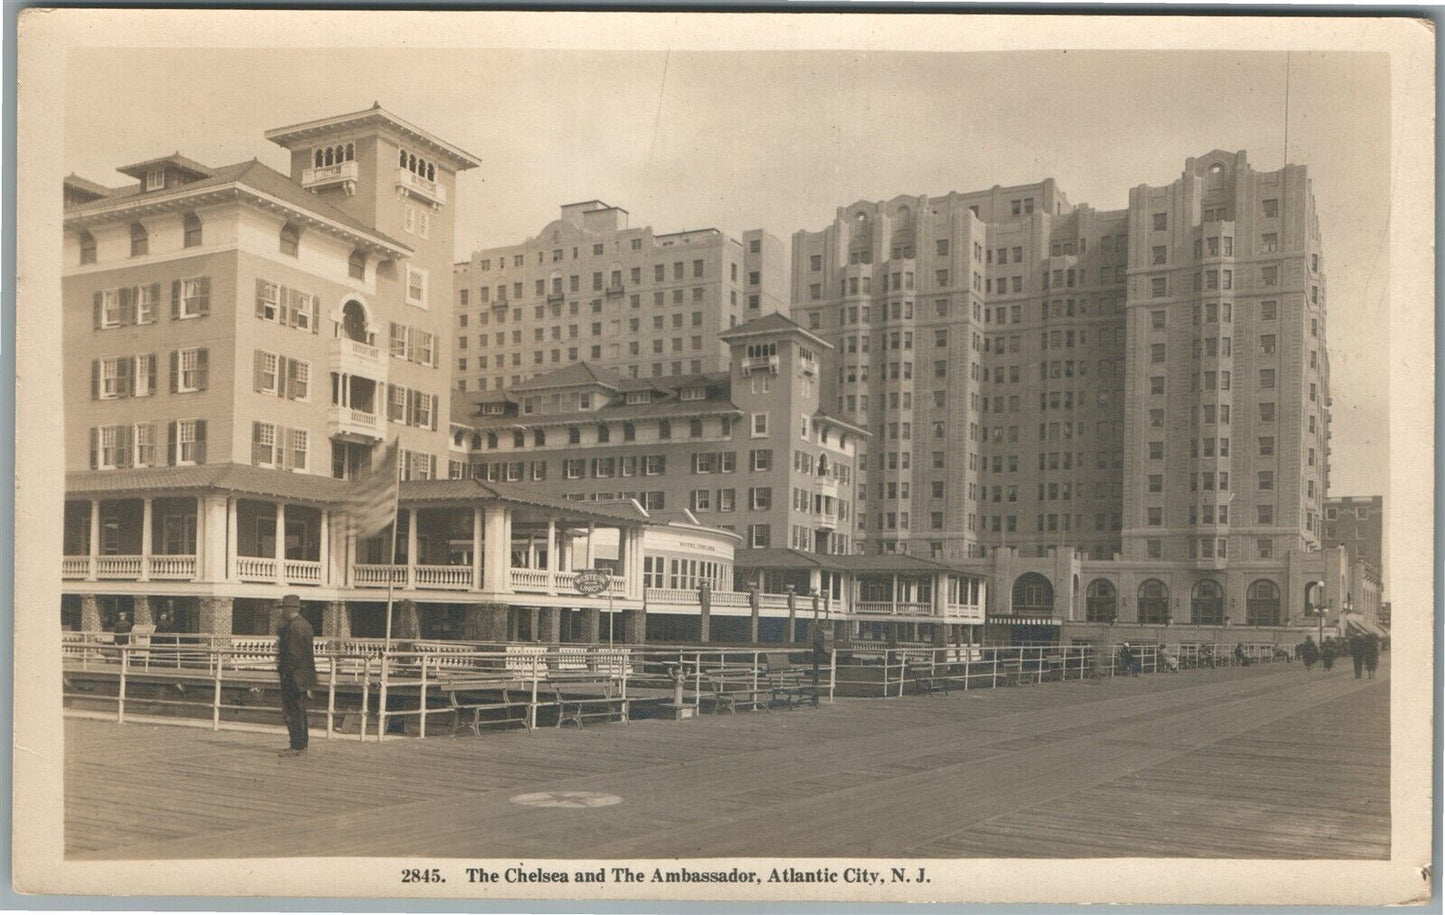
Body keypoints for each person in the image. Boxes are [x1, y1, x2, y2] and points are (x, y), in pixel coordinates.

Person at [275, 595, 316, 757]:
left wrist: (284, 671)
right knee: (300, 710)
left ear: (287, 609)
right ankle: (301, 744)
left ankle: (296, 745)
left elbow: (292, 654)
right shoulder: (305, 625)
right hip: (304, 675)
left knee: (292, 711)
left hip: (293, 676)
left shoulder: (292, 627)